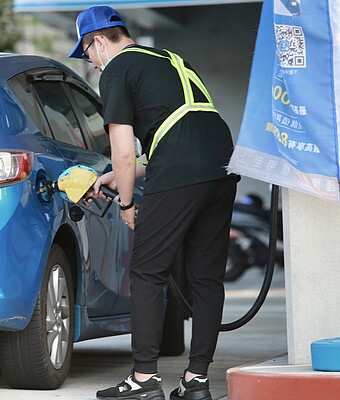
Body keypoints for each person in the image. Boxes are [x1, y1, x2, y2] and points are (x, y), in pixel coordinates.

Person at [69, 6, 238, 400]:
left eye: (87, 55)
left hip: (181, 173)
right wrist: (116, 178)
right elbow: (179, 131)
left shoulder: (116, 70)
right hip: (222, 165)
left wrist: (126, 205)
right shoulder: (170, 59)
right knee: (206, 277)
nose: (91, 64)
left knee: (146, 272)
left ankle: (144, 380)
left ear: (98, 42)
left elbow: (123, 153)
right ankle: (196, 381)